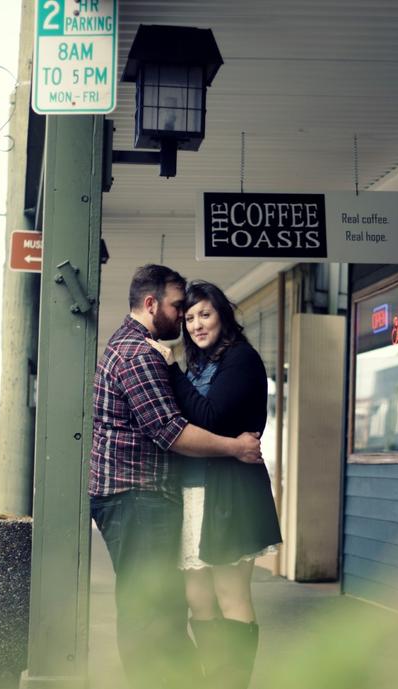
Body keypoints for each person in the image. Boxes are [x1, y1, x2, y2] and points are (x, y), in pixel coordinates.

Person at [89, 264, 263, 689]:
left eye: (201, 312)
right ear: (152, 305)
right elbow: (173, 431)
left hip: (189, 494)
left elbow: (204, 415)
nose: (187, 318)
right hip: (138, 495)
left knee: (165, 604)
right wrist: (234, 446)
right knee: (156, 608)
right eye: (181, 309)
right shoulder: (141, 354)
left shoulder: (228, 358)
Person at [147, 280, 282, 689]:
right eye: (189, 318)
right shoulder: (202, 365)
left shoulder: (241, 359)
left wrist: (171, 368)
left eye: (204, 314)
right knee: (198, 596)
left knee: (230, 594)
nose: (196, 325)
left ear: (222, 314)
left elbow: (210, 417)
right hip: (194, 492)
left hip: (230, 493)